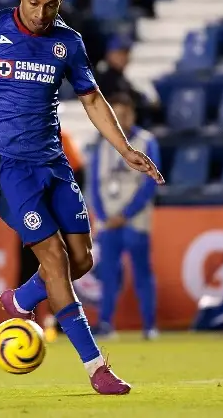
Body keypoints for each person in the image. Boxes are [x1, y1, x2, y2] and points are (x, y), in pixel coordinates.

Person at [0, 0, 164, 395]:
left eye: (51, 4)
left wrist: (125, 149)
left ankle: (21, 299)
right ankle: (96, 367)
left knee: (82, 259)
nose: (42, 13)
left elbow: (93, 98)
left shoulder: (68, 43)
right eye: (34, 2)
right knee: (55, 260)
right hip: (8, 165)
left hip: (52, 161)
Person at [89, 94, 159, 340]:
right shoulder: (102, 144)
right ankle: (106, 323)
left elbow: (150, 183)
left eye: (125, 114)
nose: (121, 119)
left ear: (133, 114)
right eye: (115, 114)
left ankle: (149, 326)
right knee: (108, 275)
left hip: (135, 220)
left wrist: (125, 214)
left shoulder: (146, 141)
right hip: (108, 220)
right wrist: (103, 214)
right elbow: (94, 185)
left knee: (142, 273)